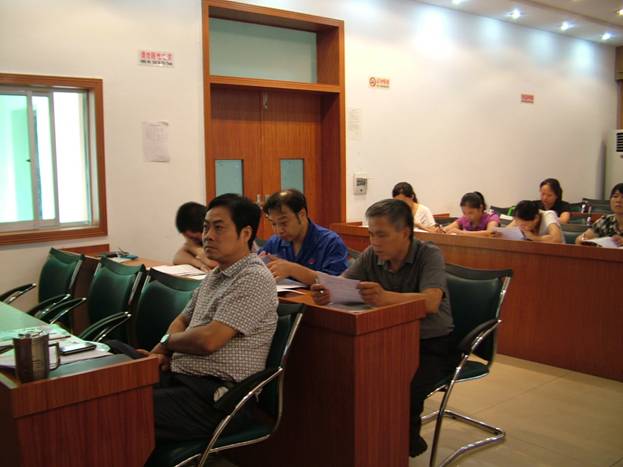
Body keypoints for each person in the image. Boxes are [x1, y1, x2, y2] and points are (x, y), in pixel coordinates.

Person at [310, 199, 458, 458]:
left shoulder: (428, 254)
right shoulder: (372, 255)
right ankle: (369, 445)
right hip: (389, 337)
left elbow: (432, 301)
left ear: (405, 232)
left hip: (431, 342)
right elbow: (343, 283)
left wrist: (384, 297)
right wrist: (328, 292)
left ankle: (401, 447)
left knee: (401, 389)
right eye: (371, 234)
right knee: (358, 380)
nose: (374, 242)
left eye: (381, 235)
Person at [141, 194, 278, 444]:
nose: (208, 236)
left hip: (217, 399)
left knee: (120, 408)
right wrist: (162, 351)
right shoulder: (216, 275)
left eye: (218, 228)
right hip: (183, 379)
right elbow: (182, 320)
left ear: (246, 233)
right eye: (206, 227)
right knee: (113, 365)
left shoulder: (253, 278)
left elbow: (208, 341)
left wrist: (167, 343)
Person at [259, 189, 349, 285]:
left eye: (284, 223)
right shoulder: (275, 242)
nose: (279, 230)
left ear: (302, 214)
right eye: (273, 224)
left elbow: (338, 284)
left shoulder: (331, 242)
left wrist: (293, 270)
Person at [174, 201, 218, 270]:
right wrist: (198, 264)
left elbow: (212, 263)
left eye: (193, 238)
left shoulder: (216, 237)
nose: (190, 240)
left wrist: (193, 248)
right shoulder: (195, 241)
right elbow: (177, 258)